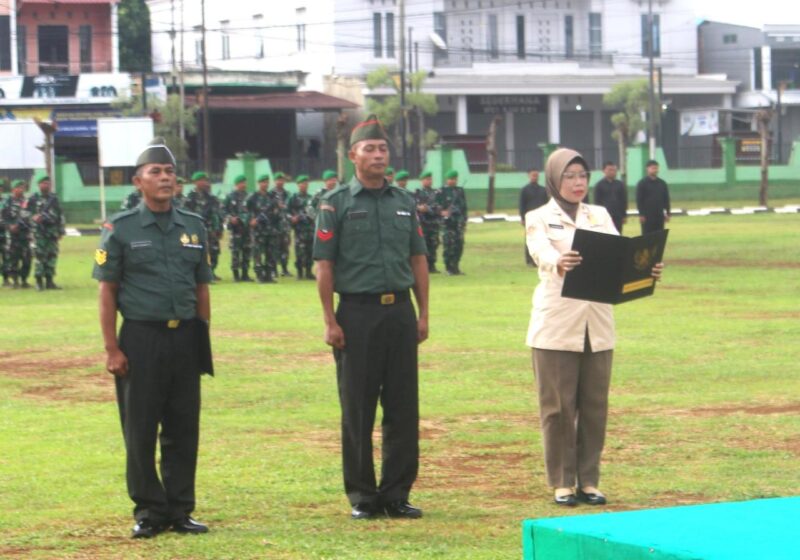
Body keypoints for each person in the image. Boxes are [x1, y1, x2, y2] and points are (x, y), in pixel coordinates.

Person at [525, 148, 664, 507]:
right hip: (557, 324)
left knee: (594, 406)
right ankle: (562, 482)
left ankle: (589, 480)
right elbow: (541, 252)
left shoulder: (599, 214)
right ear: (555, 178)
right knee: (557, 408)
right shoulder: (538, 217)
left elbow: (619, 258)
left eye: (582, 176)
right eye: (569, 176)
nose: (577, 183)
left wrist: (644, 270)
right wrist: (559, 260)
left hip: (597, 325)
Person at [92, 137, 214, 538]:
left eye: (169, 173)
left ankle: (180, 509)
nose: (165, 178)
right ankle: (148, 509)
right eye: (155, 173)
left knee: (183, 427)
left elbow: (201, 289)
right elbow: (107, 291)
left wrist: (201, 337)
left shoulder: (193, 226)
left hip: (184, 339)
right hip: (141, 340)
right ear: (138, 181)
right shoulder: (121, 229)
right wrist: (112, 347)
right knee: (140, 429)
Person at [313, 114, 429, 521]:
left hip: (399, 311)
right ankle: (363, 496)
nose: (378, 154)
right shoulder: (336, 203)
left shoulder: (403, 202)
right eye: (370, 148)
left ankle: (396, 493)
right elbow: (324, 266)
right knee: (358, 407)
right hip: (356, 315)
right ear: (353, 156)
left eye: (383, 148)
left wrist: (423, 312)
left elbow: (418, 259)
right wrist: (330, 320)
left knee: (402, 407)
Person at [27, 175, 66, 290]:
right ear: (39, 185)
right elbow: (25, 213)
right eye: (43, 183)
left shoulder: (54, 199)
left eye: (48, 183)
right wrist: (34, 217)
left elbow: (60, 215)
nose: (46, 185)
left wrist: (61, 231)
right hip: (39, 233)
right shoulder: (33, 199)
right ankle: (39, 281)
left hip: (52, 232)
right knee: (39, 257)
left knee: (51, 256)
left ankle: (50, 281)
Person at [185, 171, 223, 281]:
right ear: (195, 182)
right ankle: (199, 274)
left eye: (205, 180)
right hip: (196, 229)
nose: (204, 183)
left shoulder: (211, 198)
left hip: (211, 229)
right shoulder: (189, 198)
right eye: (201, 180)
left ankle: (212, 272)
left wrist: (218, 228)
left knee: (214, 251)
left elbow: (217, 213)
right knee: (197, 252)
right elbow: (186, 214)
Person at [1, 179, 33, 289]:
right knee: (13, 258)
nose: (21, 189)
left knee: (27, 258)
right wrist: (9, 226)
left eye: (22, 187)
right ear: (13, 189)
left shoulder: (27, 202)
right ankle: (14, 280)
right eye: (18, 187)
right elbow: (2, 218)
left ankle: (24, 279)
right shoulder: (7, 202)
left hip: (25, 234)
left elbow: (32, 216)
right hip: (12, 235)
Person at [247, 174, 279, 283]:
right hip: (258, 230)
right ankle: (259, 275)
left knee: (270, 253)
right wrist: (251, 220)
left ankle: (269, 275)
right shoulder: (253, 197)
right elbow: (245, 210)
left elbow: (277, 213)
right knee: (257, 253)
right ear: (259, 183)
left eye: (266, 182)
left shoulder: (272, 197)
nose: (265, 184)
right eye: (263, 182)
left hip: (270, 230)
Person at [436, 169, 468, 275]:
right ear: (447, 179)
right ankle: (448, 267)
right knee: (448, 245)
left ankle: (456, 267)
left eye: (455, 179)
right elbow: (434, 205)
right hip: (447, 224)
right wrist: (442, 211)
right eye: (451, 179)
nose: (453, 181)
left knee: (459, 245)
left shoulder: (460, 191)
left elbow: (464, 207)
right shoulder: (441, 191)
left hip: (458, 223)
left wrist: (464, 221)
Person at [223, 174, 253, 282]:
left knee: (247, 251)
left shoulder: (249, 196)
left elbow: (253, 210)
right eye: (241, 183)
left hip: (246, 229)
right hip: (235, 230)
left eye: (244, 182)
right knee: (235, 252)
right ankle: (236, 275)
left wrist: (250, 219)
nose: (243, 185)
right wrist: (230, 218)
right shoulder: (230, 197)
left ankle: (245, 274)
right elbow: (223, 211)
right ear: (236, 184)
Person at [518, 168, 548, 266]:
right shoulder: (525, 190)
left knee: (541, 238)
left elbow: (547, 204)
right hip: (529, 217)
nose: (535, 177)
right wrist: (522, 217)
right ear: (529, 176)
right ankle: (529, 260)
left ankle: (539, 259)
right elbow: (522, 204)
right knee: (529, 239)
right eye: (533, 175)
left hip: (541, 217)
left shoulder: (543, 190)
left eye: (536, 175)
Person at [414, 170, 441, 273]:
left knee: (433, 244)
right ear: (421, 181)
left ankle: (432, 265)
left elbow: (439, 207)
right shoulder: (417, 193)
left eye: (430, 179)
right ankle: (424, 266)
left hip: (433, 224)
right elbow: (413, 206)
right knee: (423, 246)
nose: (429, 181)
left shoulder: (436, 193)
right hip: (422, 224)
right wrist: (419, 208)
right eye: (426, 179)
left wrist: (428, 209)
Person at [288, 174, 315, 279]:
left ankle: (308, 272)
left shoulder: (311, 198)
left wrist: (313, 217)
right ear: (298, 185)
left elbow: (315, 212)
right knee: (300, 251)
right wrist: (292, 218)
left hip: (310, 229)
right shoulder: (293, 198)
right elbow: (287, 212)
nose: (304, 185)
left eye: (305, 183)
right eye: (301, 183)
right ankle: (299, 272)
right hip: (299, 229)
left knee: (310, 251)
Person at [636, 160, 671, 234]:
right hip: (647, 216)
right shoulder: (642, 183)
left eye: (656, 168)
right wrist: (641, 214)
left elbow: (666, 199)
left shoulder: (662, 183)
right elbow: (639, 200)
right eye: (653, 168)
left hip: (659, 215)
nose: (655, 170)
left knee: (659, 236)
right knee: (646, 236)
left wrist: (668, 213)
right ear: (647, 169)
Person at [594, 162, 628, 234]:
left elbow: (624, 200)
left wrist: (624, 215)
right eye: (610, 170)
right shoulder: (599, 185)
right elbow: (597, 202)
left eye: (614, 170)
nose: (612, 172)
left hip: (618, 216)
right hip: (605, 216)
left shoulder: (620, 184)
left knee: (618, 235)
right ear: (604, 171)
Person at [271, 172, 293, 277]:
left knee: (285, 248)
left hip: (285, 225)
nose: (280, 182)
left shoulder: (288, 194)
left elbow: (290, 208)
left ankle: (284, 269)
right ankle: (273, 269)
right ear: (275, 181)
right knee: (274, 248)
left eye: (282, 180)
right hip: (274, 226)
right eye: (278, 180)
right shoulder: (270, 194)